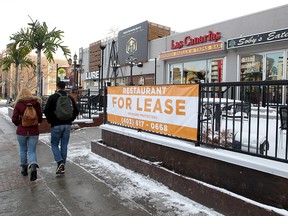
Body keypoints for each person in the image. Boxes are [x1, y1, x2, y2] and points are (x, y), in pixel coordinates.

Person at [44, 81, 79, 175]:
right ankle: (62, 165)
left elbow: (46, 110)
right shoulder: (70, 97)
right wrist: (70, 119)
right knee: (64, 145)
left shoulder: (53, 97)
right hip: (67, 125)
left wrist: (51, 120)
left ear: (57, 86)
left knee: (54, 144)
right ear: (64, 87)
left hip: (56, 125)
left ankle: (59, 162)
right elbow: (76, 110)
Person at [11, 88, 43, 181]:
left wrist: (19, 124)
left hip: (21, 131)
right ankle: (33, 166)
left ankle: (24, 170)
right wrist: (36, 123)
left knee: (23, 150)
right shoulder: (36, 103)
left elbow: (14, 119)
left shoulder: (19, 104)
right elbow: (40, 117)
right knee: (32, 151)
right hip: (34, 131)